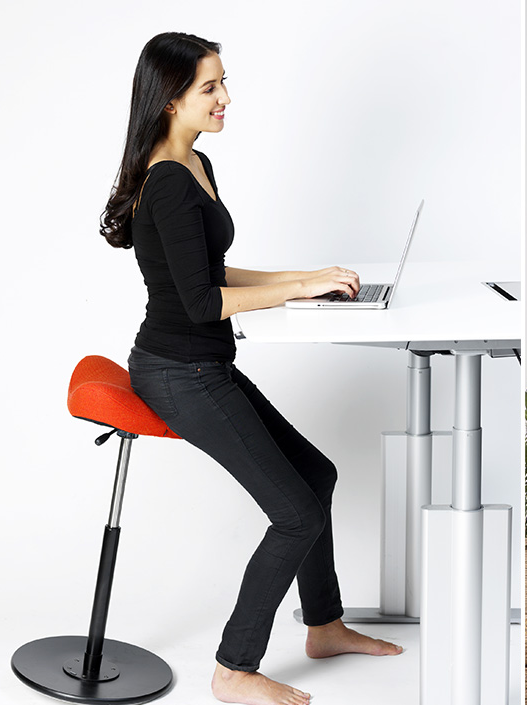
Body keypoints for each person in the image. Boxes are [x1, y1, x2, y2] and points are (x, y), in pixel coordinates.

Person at [101, 32, 401, 705]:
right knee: (295, 511)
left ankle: (323, 625)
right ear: (172, 99)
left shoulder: (196, 164)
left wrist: (307, 276)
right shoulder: (169, 182)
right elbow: (205, 302)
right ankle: (234, 668)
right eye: (212, 87)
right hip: (179, 370)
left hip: (204, 363)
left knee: (316, 476)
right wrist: (296, 289)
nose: (226, 97)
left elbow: (209, 272)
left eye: (223, 82)